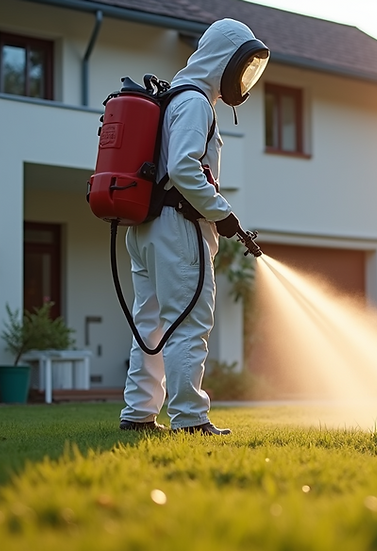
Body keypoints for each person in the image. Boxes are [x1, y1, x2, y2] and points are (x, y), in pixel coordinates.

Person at [119, 19, 269, 435]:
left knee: (149, 324)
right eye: (241, 65)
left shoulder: (173, 98)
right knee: (187, 322)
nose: (242, 77)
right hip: (178, 226)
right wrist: (220, 211)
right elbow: (184, 166)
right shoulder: (196, 102)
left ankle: (138, 415)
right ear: (225, 58)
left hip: (148, 226)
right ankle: (189, 420)